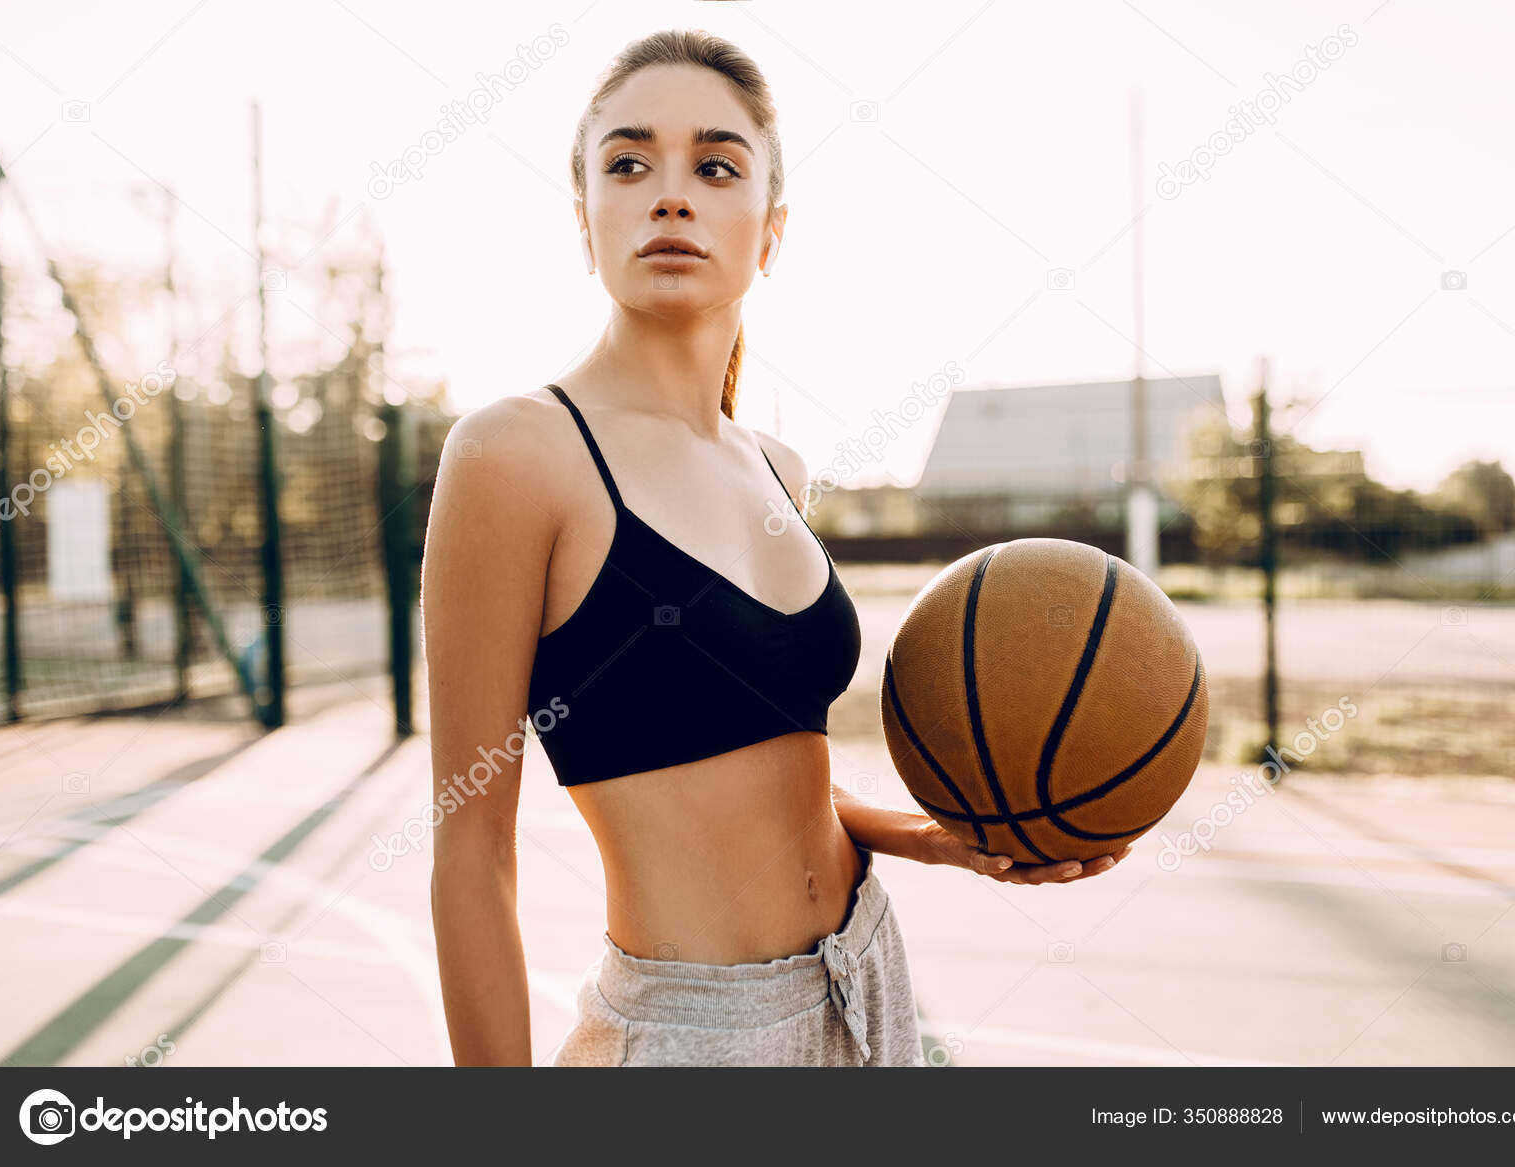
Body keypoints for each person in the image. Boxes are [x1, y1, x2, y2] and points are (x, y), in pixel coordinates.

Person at [423, 28, 1130, 1068]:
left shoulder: (777, 469)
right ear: (586, 222)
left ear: (771, 230)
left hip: (871, 983)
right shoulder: (516, 454)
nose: (672, 195)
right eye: (628, 164)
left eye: (715, 166)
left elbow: (750, 772)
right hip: (692, 1033)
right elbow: (470, 848)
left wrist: (926, 839)